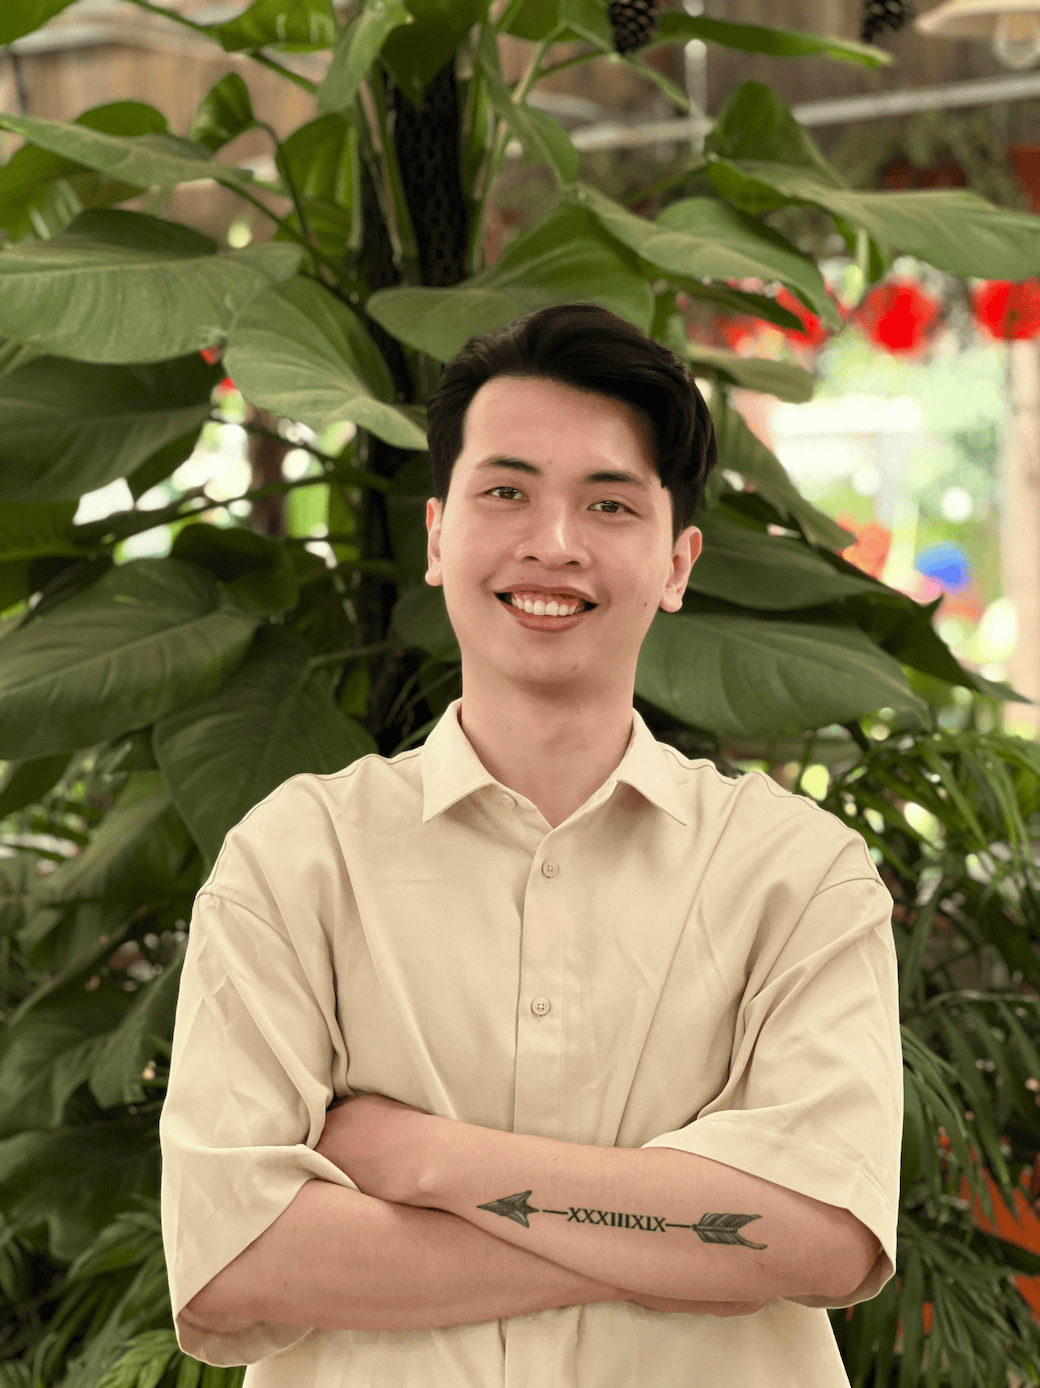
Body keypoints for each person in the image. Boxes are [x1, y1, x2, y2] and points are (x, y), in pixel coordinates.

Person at [159, 303, 902, 1387]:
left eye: (608, 502)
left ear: (676, 561)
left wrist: (423, 1160)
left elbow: (822, 1235)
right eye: (504, 490)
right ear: (436, 537)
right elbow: (234, 1257)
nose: (553, 543)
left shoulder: (795, 872)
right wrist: (679, 1237)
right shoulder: (294, 858)